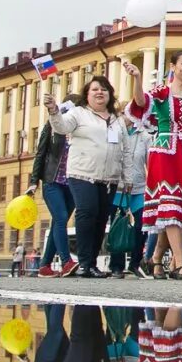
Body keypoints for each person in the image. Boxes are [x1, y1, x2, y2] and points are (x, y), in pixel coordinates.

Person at [123, 51, 182, 280]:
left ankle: (156, 258)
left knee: (180, 209)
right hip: (166, 152)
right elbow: (141, 104)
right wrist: (137, 78)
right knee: (172, 206)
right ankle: (180, 262)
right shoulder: (163, 93)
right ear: (173, 66)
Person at [46, 74, 128, 279]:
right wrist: (54, 111)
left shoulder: (117, 120)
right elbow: (61, 127)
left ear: (110, 94)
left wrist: (126, 177)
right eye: (95, 89)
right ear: (87, 94)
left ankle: (92, 263)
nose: (100, 92)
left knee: (101, 219)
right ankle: (83, 263)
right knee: (87, 212)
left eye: (104, 89)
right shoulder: (79, 113)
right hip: (82, 173)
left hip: (109, 178)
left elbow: (125, 149)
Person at [28, 100, 75, 275]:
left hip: (71, 184)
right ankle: (66, 261)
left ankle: (44, 265)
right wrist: (34, 182)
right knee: (61, 218)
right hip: (52, 181)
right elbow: (40, 153)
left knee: (58, 222)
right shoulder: (51, 127)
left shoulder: (79, 130)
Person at [110, 114, 151, 278]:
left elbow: (150, 161)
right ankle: (117, 266)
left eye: (131, 113)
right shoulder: (113, 132)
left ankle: (135, 263)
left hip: (139, 187)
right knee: (118, 226)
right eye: (124, 113)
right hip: (118, 189)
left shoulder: (144, 135)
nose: (128, 117)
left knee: (141, 226)